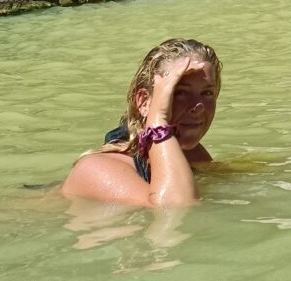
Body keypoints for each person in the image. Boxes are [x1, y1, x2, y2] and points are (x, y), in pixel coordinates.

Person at [62, 39, 222, 206]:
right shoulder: (96, 169)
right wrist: (158, 119)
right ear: (144, 102)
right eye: (180, 92)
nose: (199, 106)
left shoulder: (189, 154)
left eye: (207, 93)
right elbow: (176, 210)